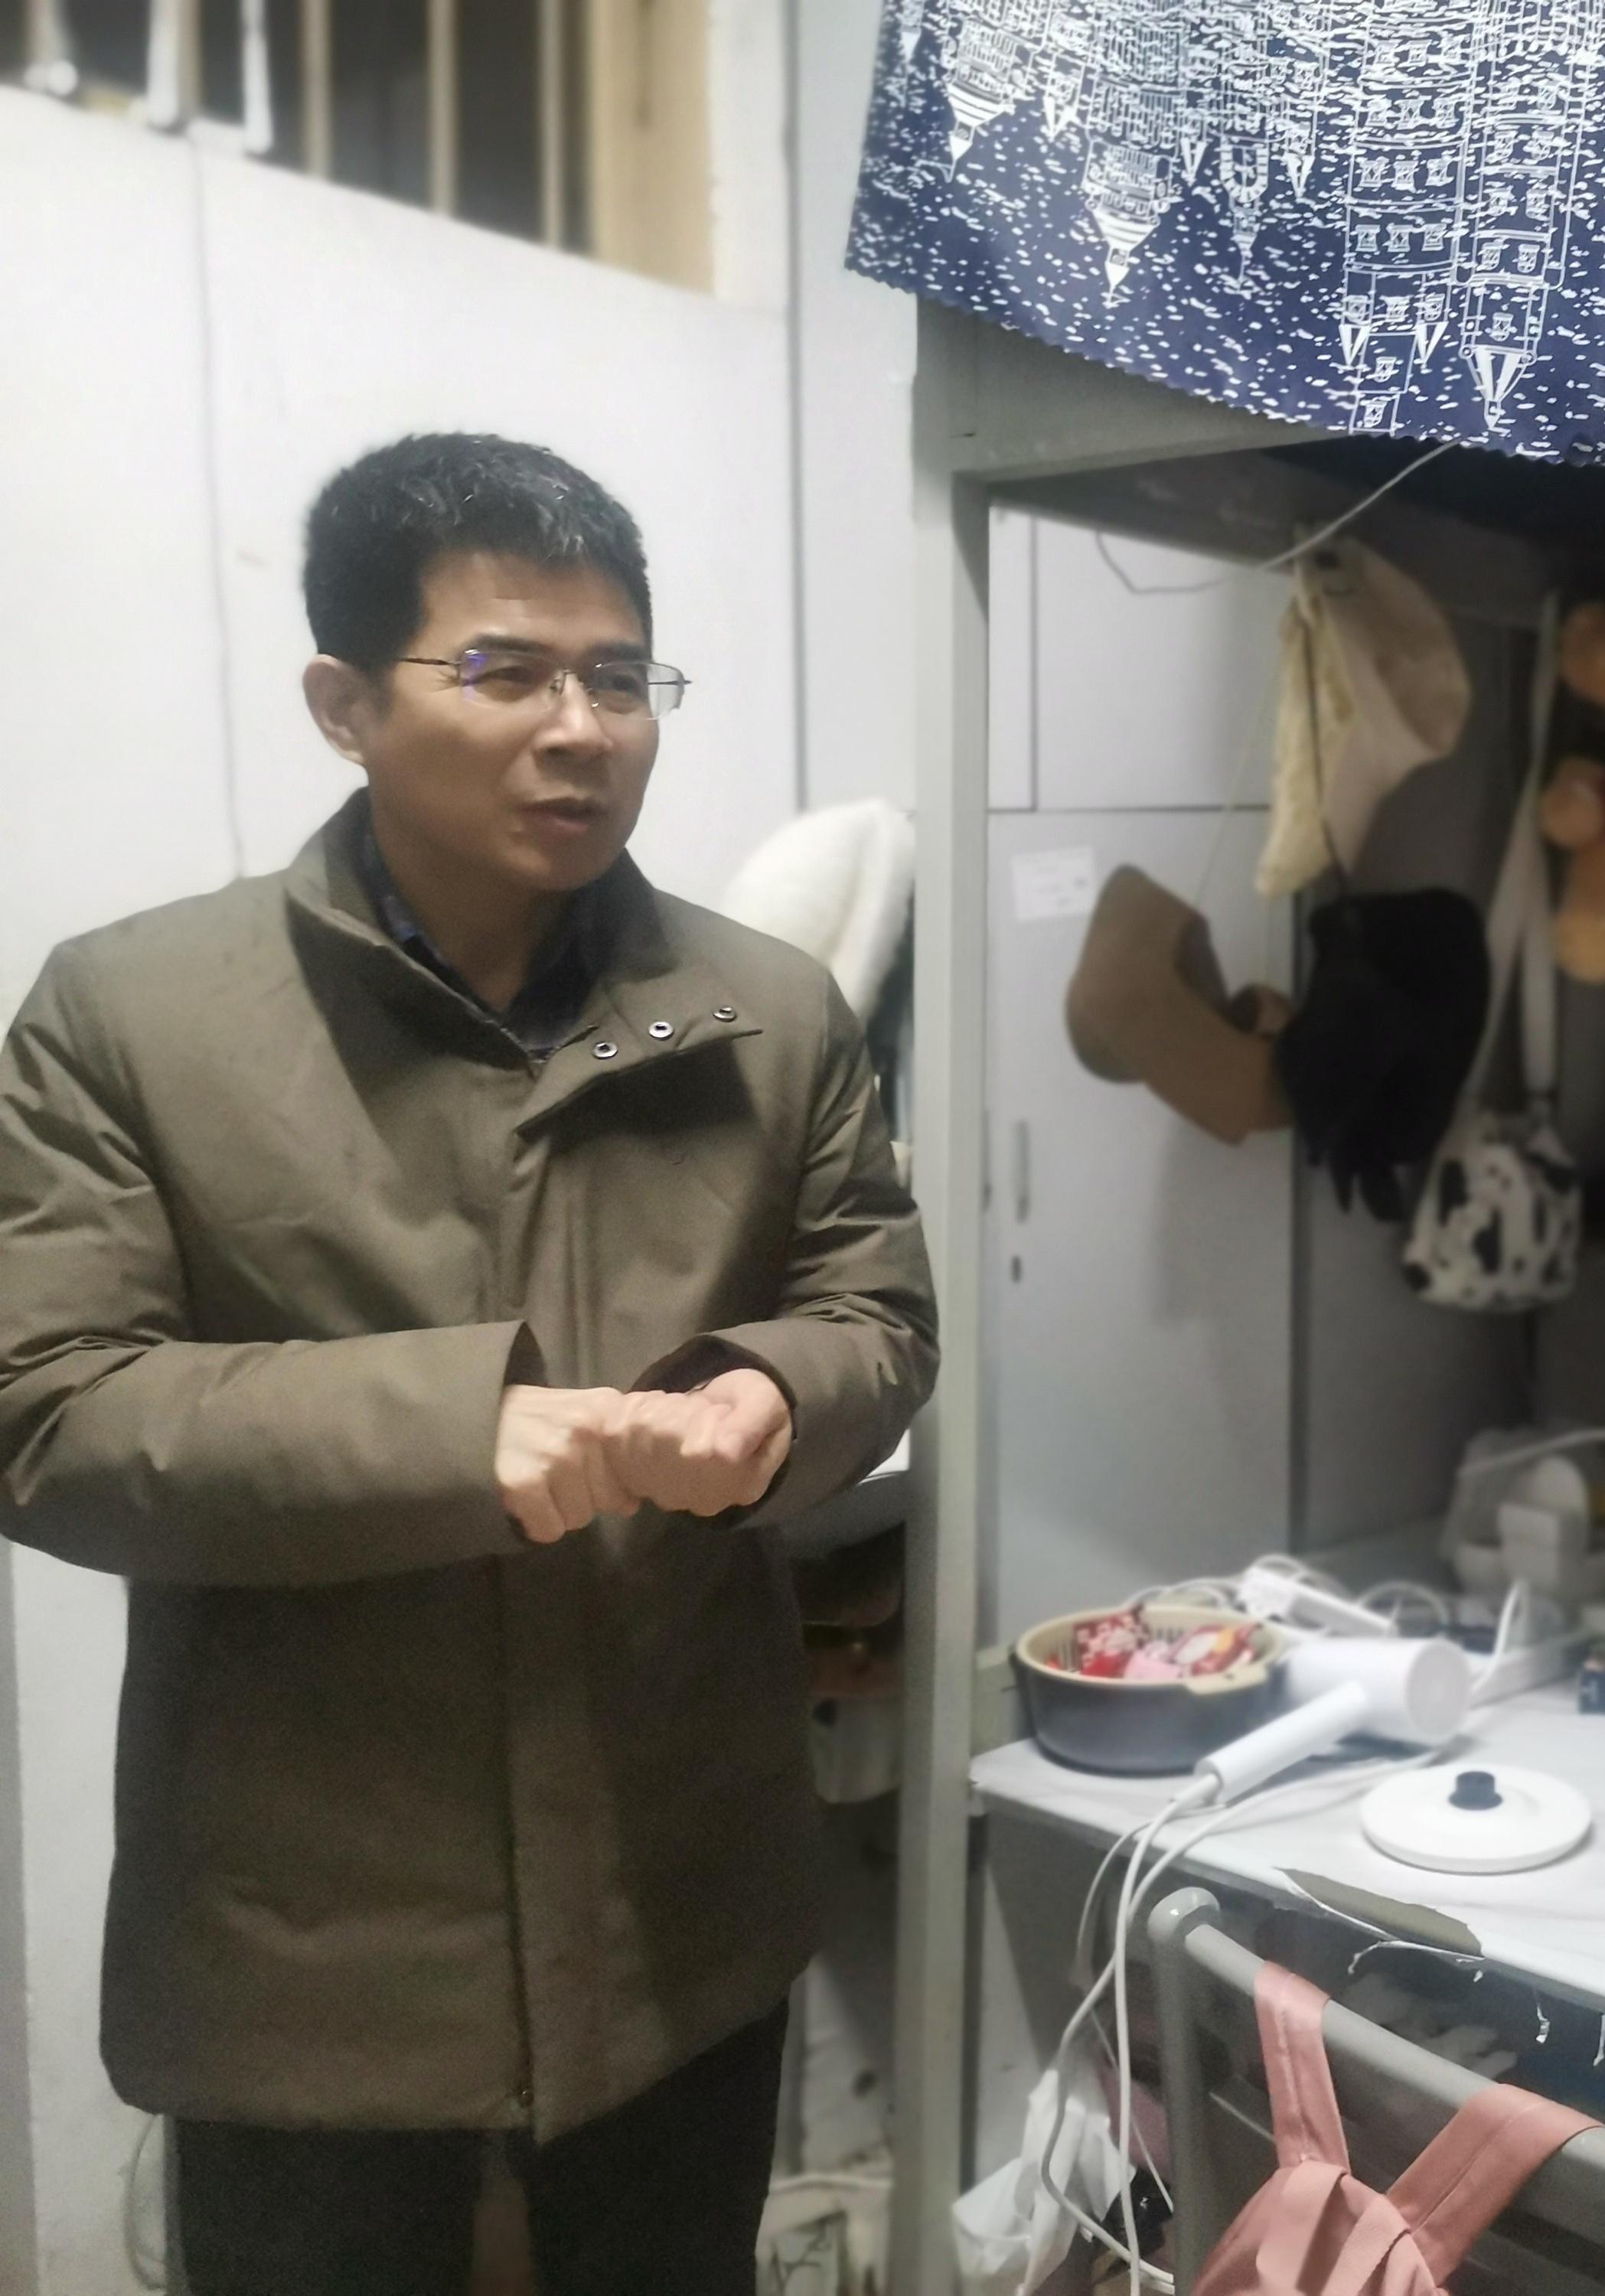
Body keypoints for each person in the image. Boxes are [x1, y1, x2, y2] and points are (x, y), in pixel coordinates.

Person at [0, 434, 939, 2291]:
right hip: (316, 1940)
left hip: (675, 1902)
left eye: (620, 676)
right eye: (504, 671)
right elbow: (48, 1407)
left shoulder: (768, 1013)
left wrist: (778, 1395)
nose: (580, 730)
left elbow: (879, 1312)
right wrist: (457, 1435)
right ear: (344, 703)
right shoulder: (135, 1015)